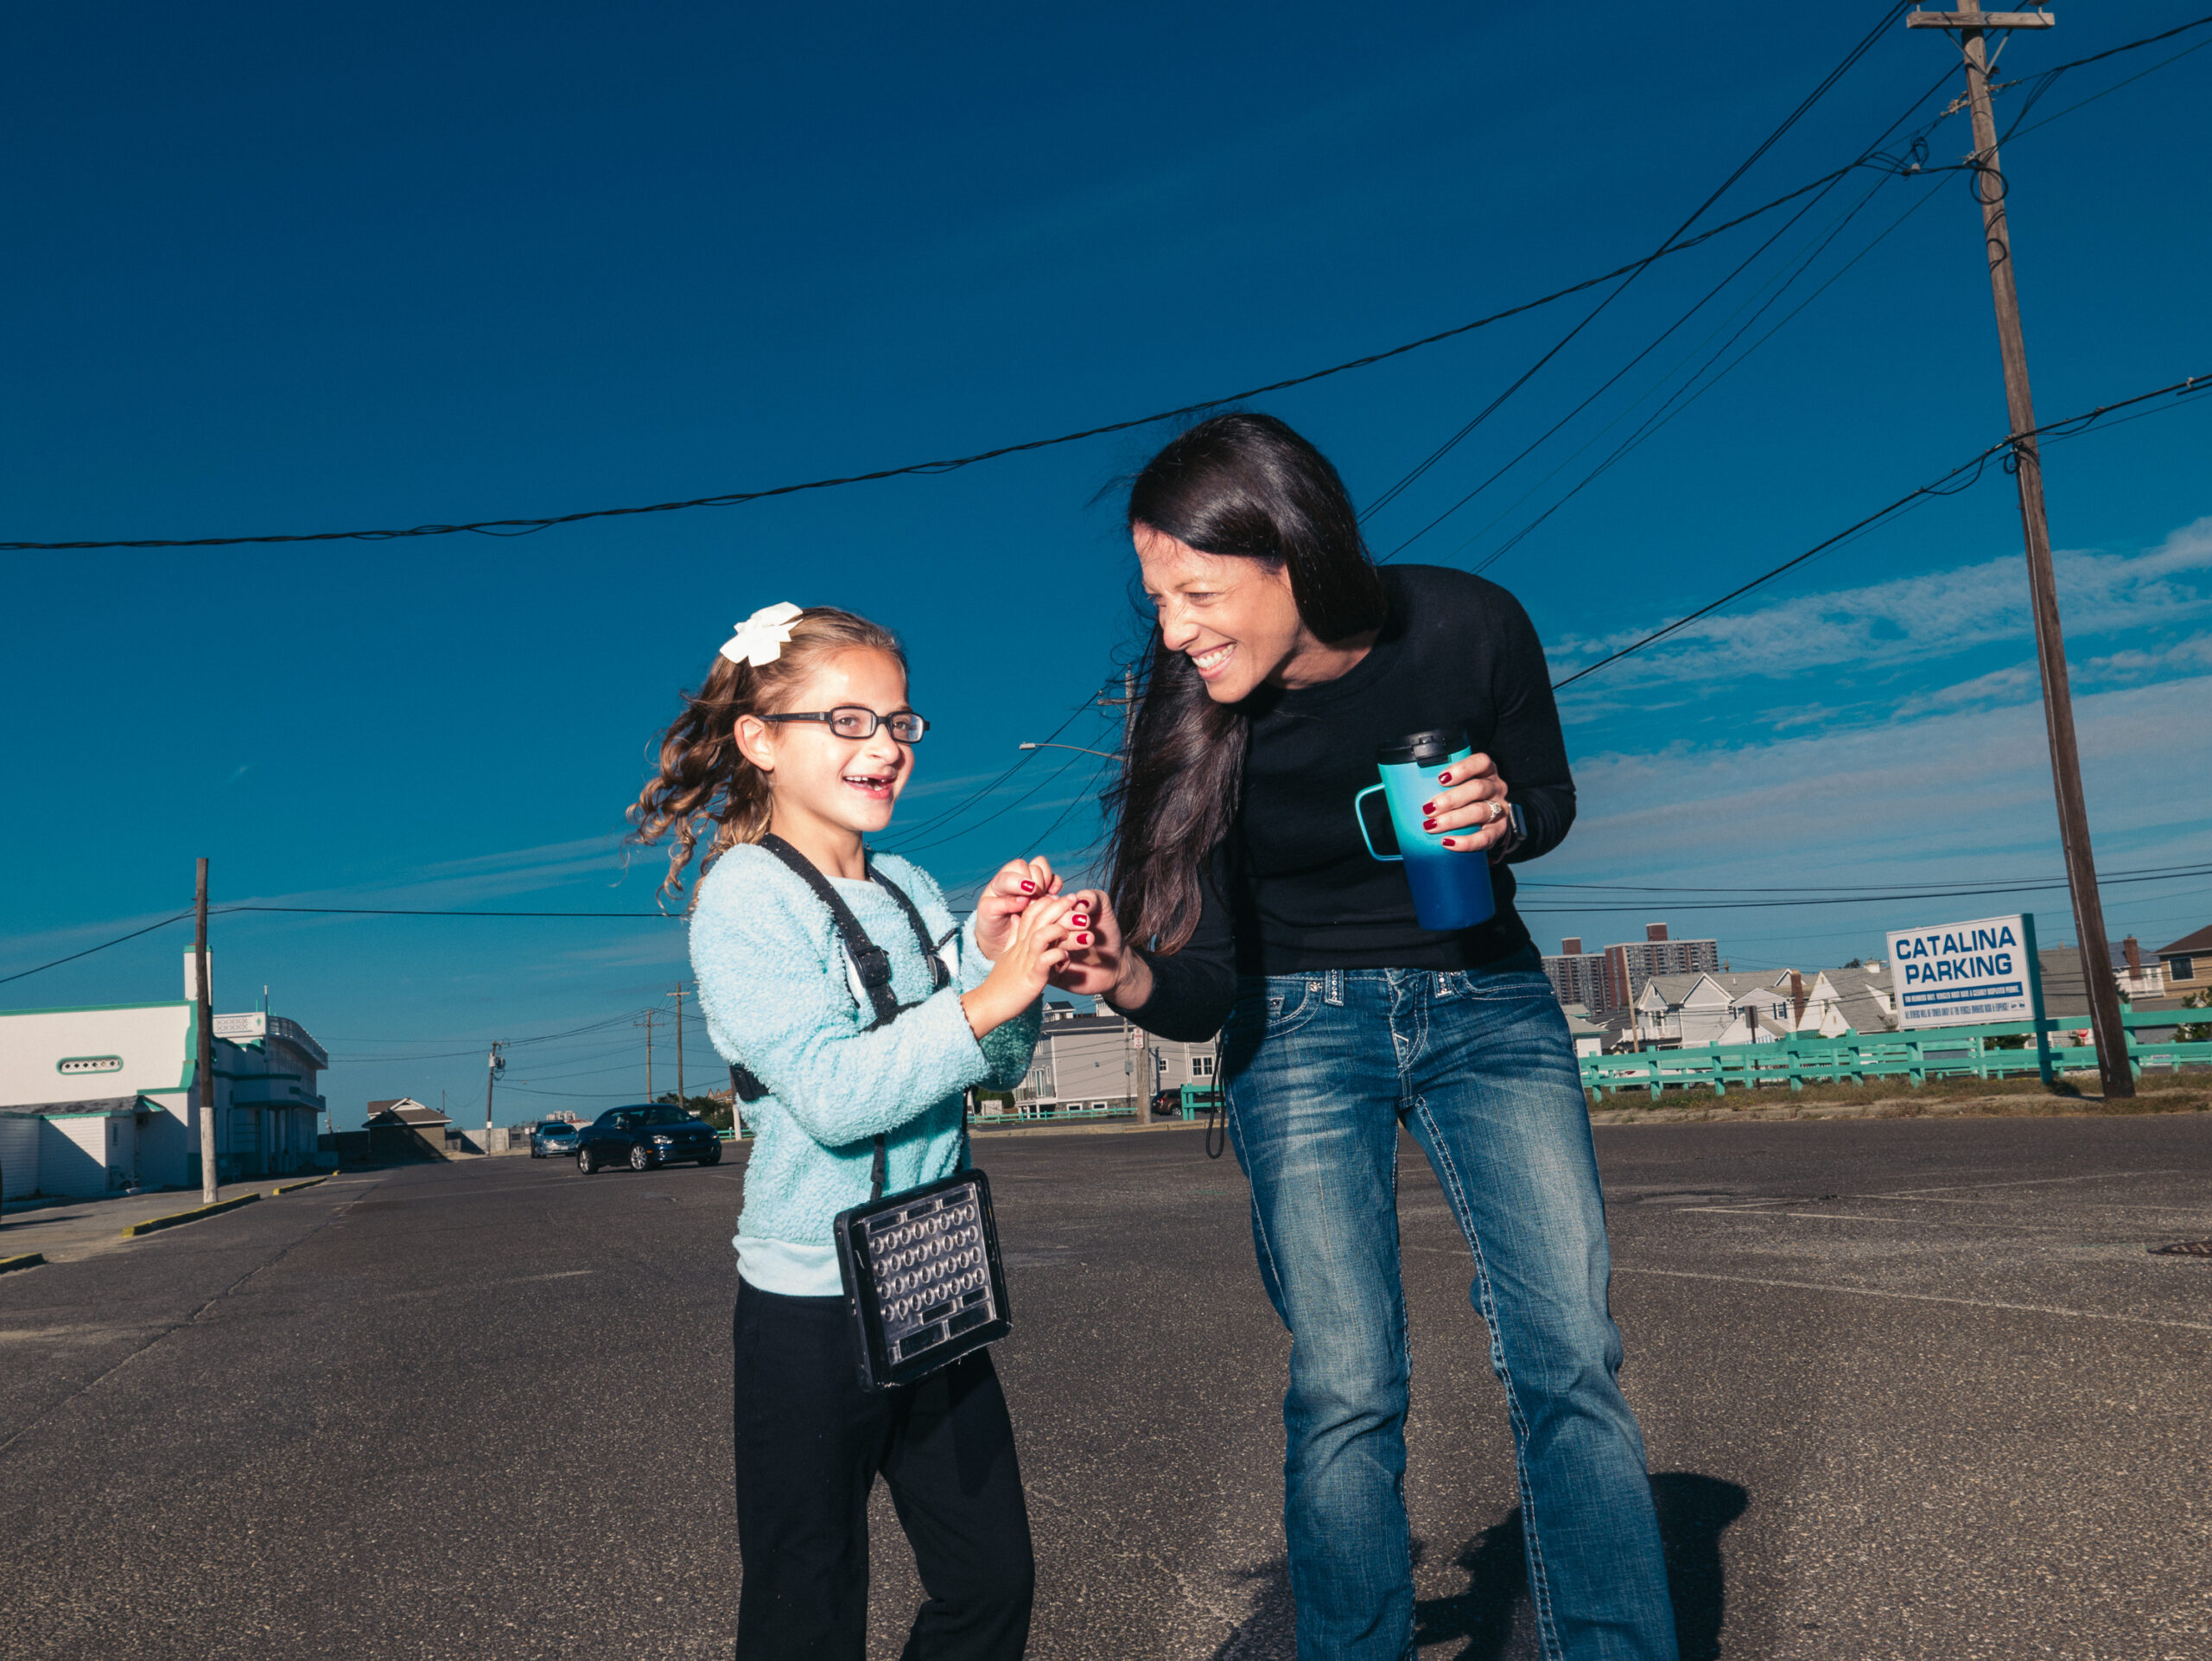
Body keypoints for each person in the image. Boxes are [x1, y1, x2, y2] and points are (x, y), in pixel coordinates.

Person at [1052, 415, 1679, 1661]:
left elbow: (1548, 796)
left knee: (1570, 1355)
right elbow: (1205, 984)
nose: (1173, 631)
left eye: (1196, 592)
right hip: (1293, 1026)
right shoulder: (1184, 721)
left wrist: (1504, 815)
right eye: (1159, 599)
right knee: (1348, 1379)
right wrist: (1124, 973)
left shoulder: (1471, 623)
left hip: (1487, 1004)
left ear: (1289, 553)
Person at [629, 601, 1084, 1661]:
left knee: (991, 1576)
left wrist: (1004, 959)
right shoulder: (744, 897)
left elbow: (997, 1071)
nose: (881, 746)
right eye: (846, 720)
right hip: (809, 1304)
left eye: (897, 722)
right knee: (808, 1595)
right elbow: (834, 1094)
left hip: (931, 1275)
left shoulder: (914, 886)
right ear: (759, 740)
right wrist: (984, 995)